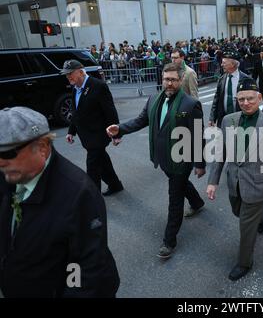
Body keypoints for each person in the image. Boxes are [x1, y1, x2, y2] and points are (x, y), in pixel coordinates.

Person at [0, 107, 120, 298]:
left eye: (7, 153)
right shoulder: (9, 175)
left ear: (42, 147)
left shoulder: (79, 195)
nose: (1, 162)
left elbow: (88, 271)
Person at [106, 63, 206, 259]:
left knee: (174, 197)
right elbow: (141, 120)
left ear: (180, 80)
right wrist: (120, 129)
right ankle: (197, 201)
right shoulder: (153, 99)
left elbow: (197, 136)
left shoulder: (190, 104)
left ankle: (169, 241)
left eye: (173, 80)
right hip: (162, 157)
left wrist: (200, 163)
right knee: (180, 185)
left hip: (181, 159)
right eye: (166, 79)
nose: (169, 83)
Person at [207, 78, 263, 281]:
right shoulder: (228, 120)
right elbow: (221, 152)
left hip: (259, 185)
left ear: (259, 98)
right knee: (238, 212)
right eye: (241, 99)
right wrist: (213, 180)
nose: (245, 103)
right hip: (234, 183)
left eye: (250, 98)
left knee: (245, 226)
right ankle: (261, 216)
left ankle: (244, 262)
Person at [63, 60, 123, 196]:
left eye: (70, 73)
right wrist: (71, 131)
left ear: (81, 71)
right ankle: (115, 184)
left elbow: (110, 111)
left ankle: (92, 198)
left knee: (93, 167)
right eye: (66, 75)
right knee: (102, 161)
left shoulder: (98, 86)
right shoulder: (75, 88)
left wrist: (117, 134)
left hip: (98, 135)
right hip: (86, 135)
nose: (68, 77)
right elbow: (75, 112)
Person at [209, 51, 250, 127]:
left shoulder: (245, 79)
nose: (221, 65)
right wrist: (212, 117)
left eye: (224, 63)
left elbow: (251, 101)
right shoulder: (222, 79)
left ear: (233, 64)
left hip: (241, 119)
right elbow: (216, 99)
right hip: (224, 119)